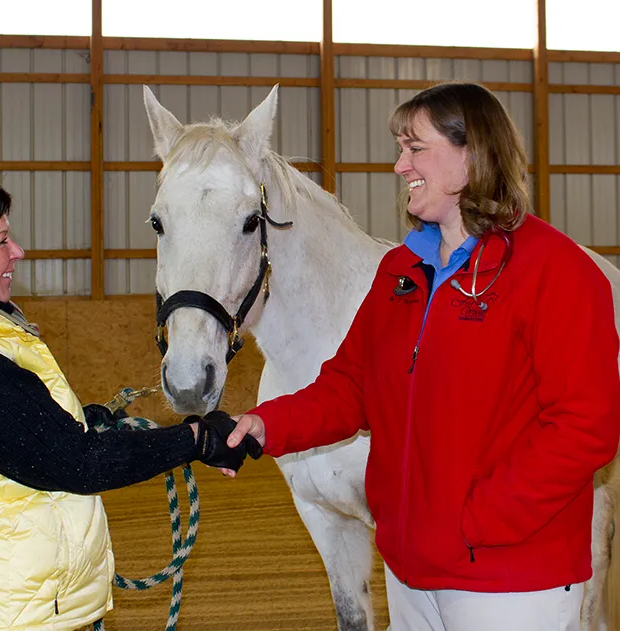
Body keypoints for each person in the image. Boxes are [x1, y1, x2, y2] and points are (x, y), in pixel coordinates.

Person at [223, 82, 620, 631]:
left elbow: (584, 428)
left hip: (509, 579)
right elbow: (352, 387)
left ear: (472, 155)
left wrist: (477, 521)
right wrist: (266, 424)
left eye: (415, 148)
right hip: (411, 574)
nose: (398, 165)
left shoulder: (557, 273)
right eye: (399, 148)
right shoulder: (400, 274)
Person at [0, 169, 260, 631]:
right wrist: (197, 439)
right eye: (2, 241)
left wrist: (88, 420)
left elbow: (25, 437)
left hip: (6, 604)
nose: (17, 251)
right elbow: (77, 463)